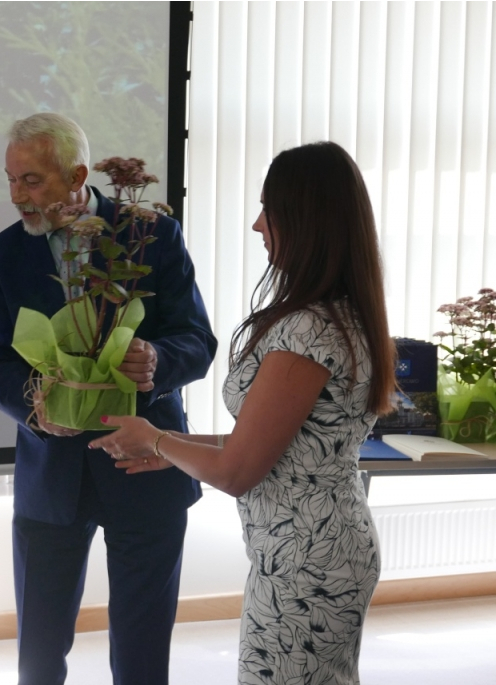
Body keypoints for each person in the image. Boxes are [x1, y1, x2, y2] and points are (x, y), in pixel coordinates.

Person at [90, 141, 396, 685]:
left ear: (306, 221)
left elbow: (237, 471)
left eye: (268, 211)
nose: (258, 226)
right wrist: (169, 446)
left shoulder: (308, 330)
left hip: (308, 561)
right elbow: (267, 441)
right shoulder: (340, 314)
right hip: (313, 548)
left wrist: (156, 440)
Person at [0, 112, 217, 685]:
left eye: (31, 181)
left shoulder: (152, 235)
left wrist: (157, 362)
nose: (17, 195)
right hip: (50, 473)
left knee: (141, 647)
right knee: (39, 652)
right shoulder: (3, 254)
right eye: (10, 180)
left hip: (147, 465)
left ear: (79, 174)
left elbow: (198, 340)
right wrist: (34, 404)